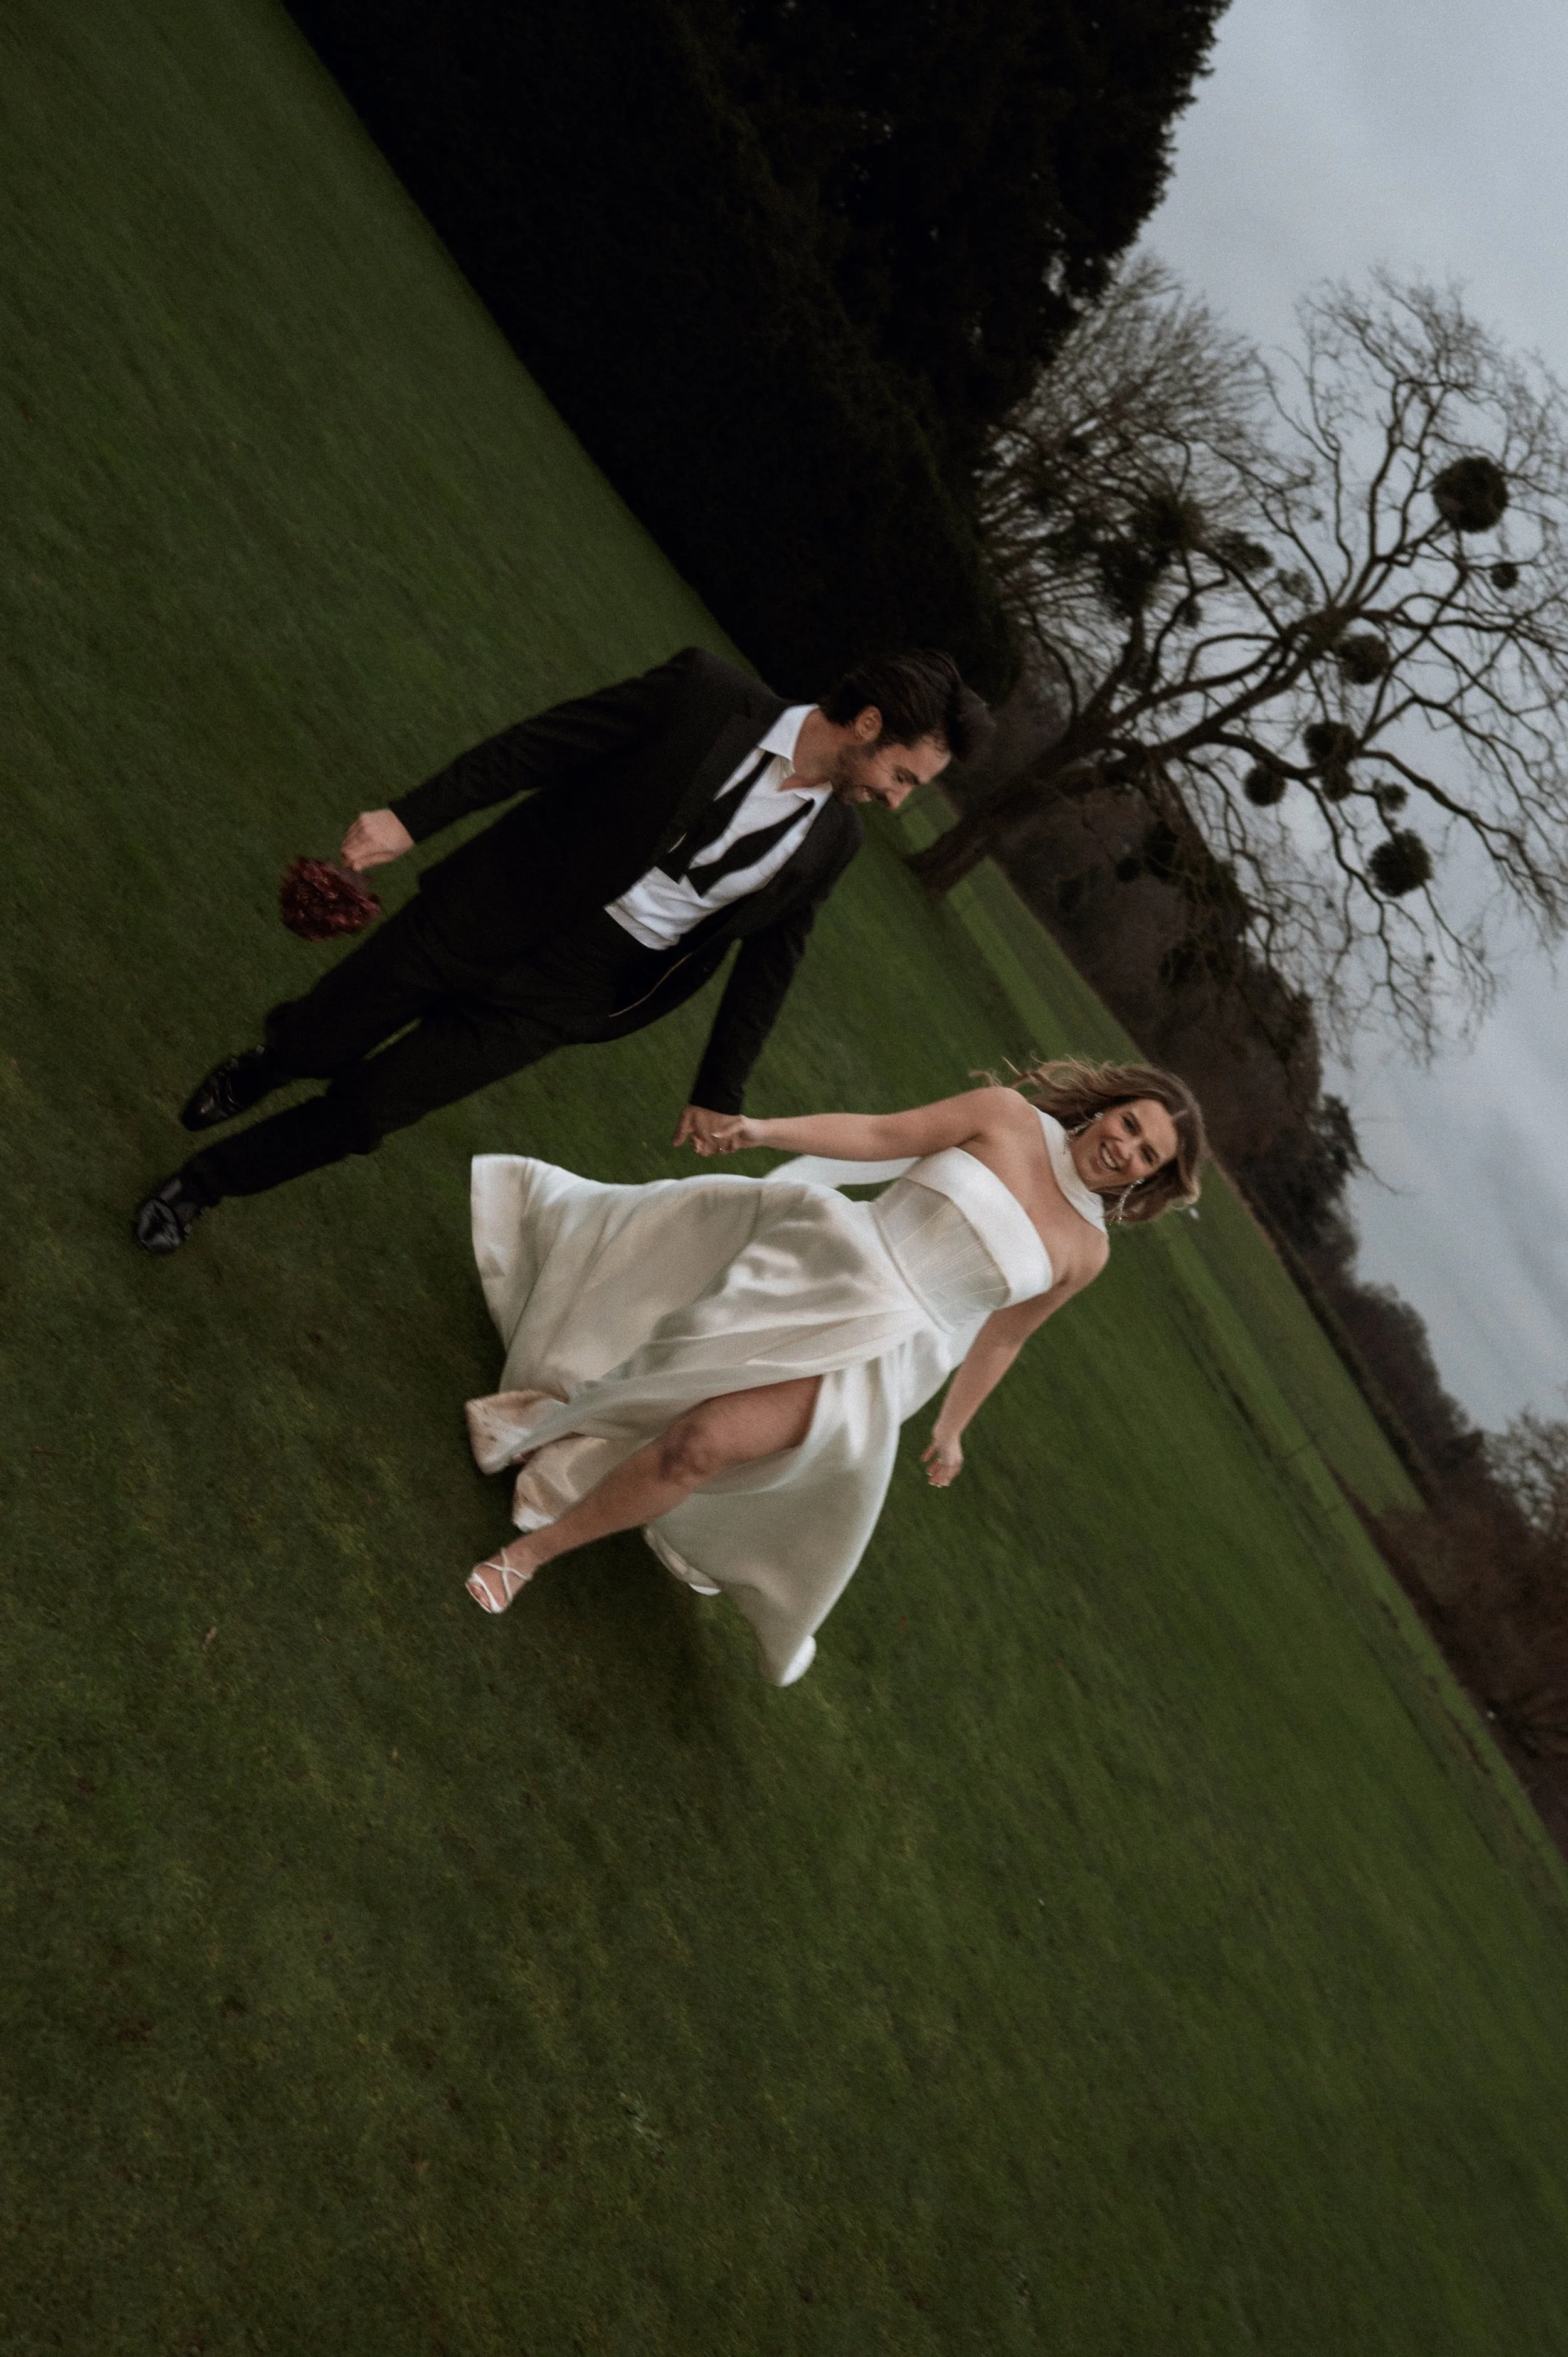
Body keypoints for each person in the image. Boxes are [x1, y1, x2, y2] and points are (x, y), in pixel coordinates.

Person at [134, 645, 991, 1252]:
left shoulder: (831, 843)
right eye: (903, 775)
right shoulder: (701, 695)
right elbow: (540, 745)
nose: (896, 799)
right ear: (869, 723)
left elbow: (773, 961)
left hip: (575, 988)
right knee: (321, 1038)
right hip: (493, 907)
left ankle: (200, 1186)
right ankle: (268, 1062)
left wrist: (718, 1090)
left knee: (370, 1109)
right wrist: (410, 818)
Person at [460, 1058, 1206, 1684]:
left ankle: (528, 1554)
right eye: (1131, 1125)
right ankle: (569, 1422)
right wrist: (757, 1129)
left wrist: (952, 1429)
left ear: (1152, 1182)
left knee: (702, 1443)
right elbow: (881, 1135)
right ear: (1109, 1108)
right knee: (663, 1372)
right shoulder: (1004, 1115)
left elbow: (1003, 1337)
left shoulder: (1086, 1252)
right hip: (822, 1268)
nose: (1125, 1149)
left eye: (1147, 1157)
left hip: (881, 1357)